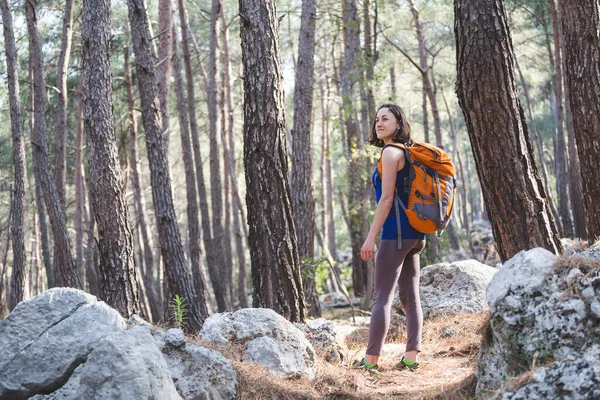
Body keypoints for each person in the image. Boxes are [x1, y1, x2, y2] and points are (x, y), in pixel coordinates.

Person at [358, 104, 426, 374]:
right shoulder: (407, 153)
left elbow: (386, 198)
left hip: (395, 234)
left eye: (386, 118)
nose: (379, 122)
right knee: (411, 298)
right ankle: (411, 358)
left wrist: (370, 238)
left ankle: (371, 360)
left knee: (381, 299)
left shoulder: (389, 152)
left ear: (399, 124)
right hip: (415, 235)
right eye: (377, 119)